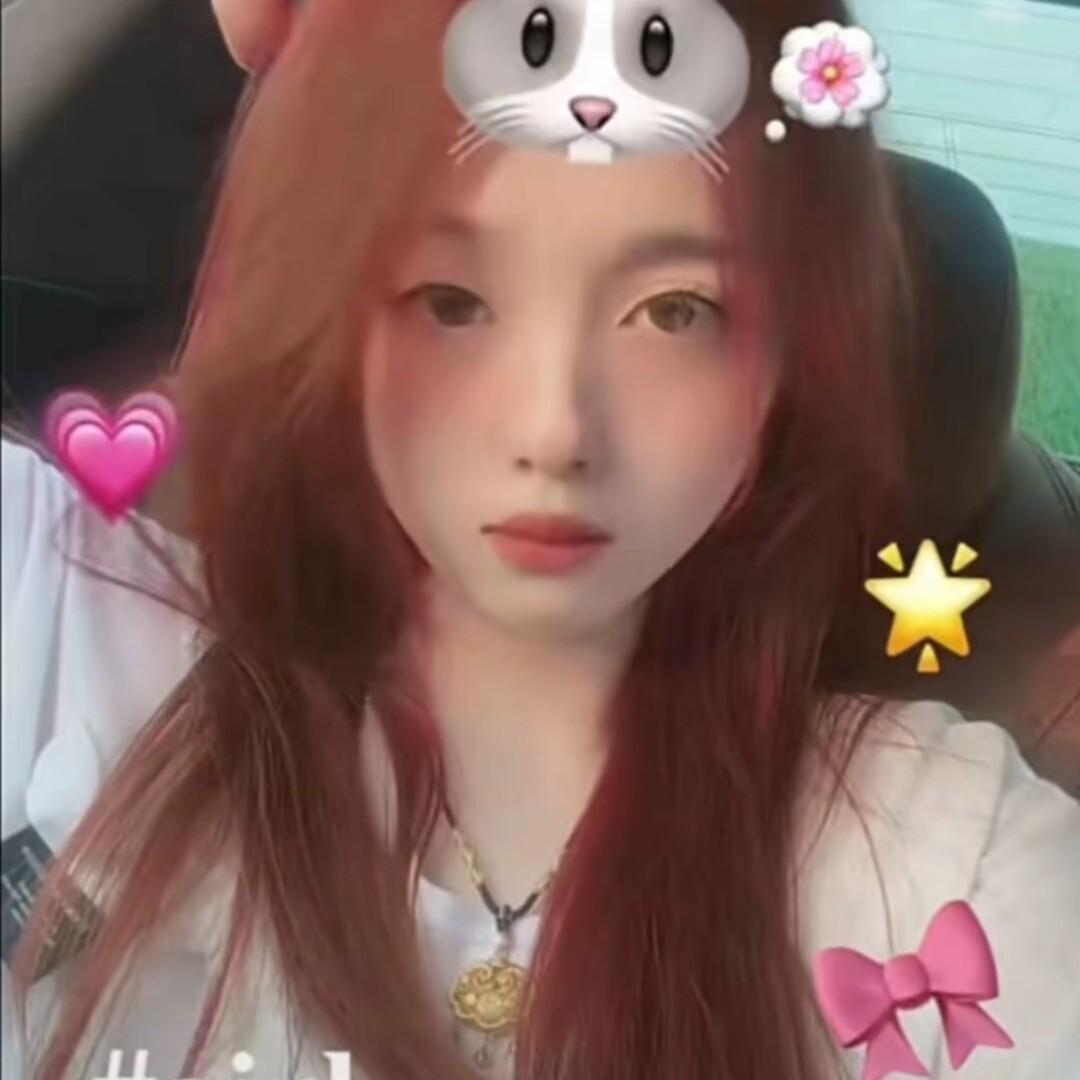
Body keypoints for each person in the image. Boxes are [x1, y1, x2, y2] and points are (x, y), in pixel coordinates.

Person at [3, 0, 1078, 1077]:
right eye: (451, 301)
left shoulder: (954, 868)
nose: (554, 429)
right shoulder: (65, 620)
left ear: (787, 360)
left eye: (676, 311)